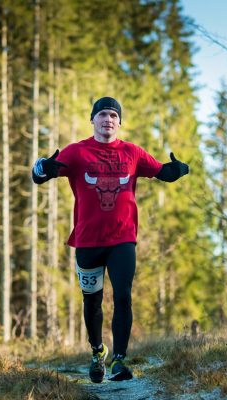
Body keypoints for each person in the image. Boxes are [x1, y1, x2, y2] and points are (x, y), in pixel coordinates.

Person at [31, 96, 190, 383]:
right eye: (103, 114)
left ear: (119, 122)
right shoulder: (77, 152)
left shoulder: (132, 152)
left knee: (123, 296)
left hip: (122, 239)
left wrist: (180, 169)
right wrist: (42, 168)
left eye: (113, 115)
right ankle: (97, 352)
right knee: (92, 302)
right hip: (87, 241)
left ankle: (119, 360)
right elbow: (40, 175)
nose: (108, 119)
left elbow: (162, 172)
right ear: (92, 120)